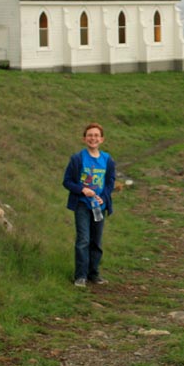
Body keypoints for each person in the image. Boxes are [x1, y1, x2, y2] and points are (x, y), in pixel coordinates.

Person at [63, 122, 116, 287]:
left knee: (96, 242)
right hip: (82, 205)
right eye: (90, 135)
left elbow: (110, 183)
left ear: (102, 139)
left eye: (96, 136)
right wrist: (82, 190)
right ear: (84, 138)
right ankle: (80, 276)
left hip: (99, 207)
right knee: (83, 240)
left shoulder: (107, 160)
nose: (93, 138)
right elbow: (67, 181)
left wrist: (104, 198)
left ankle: (94, 274)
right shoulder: (77, 159)